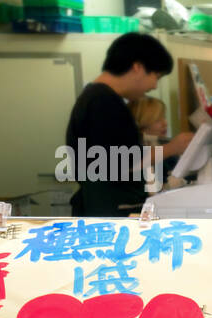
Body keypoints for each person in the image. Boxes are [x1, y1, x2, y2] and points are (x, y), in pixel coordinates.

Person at [65, 33, 193, 216]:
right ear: (138, 67)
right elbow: (119, 161)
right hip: (107, 212)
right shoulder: (102, 101)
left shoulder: (100, 98)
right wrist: (172, 148)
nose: (154, 86)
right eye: (156, 76)